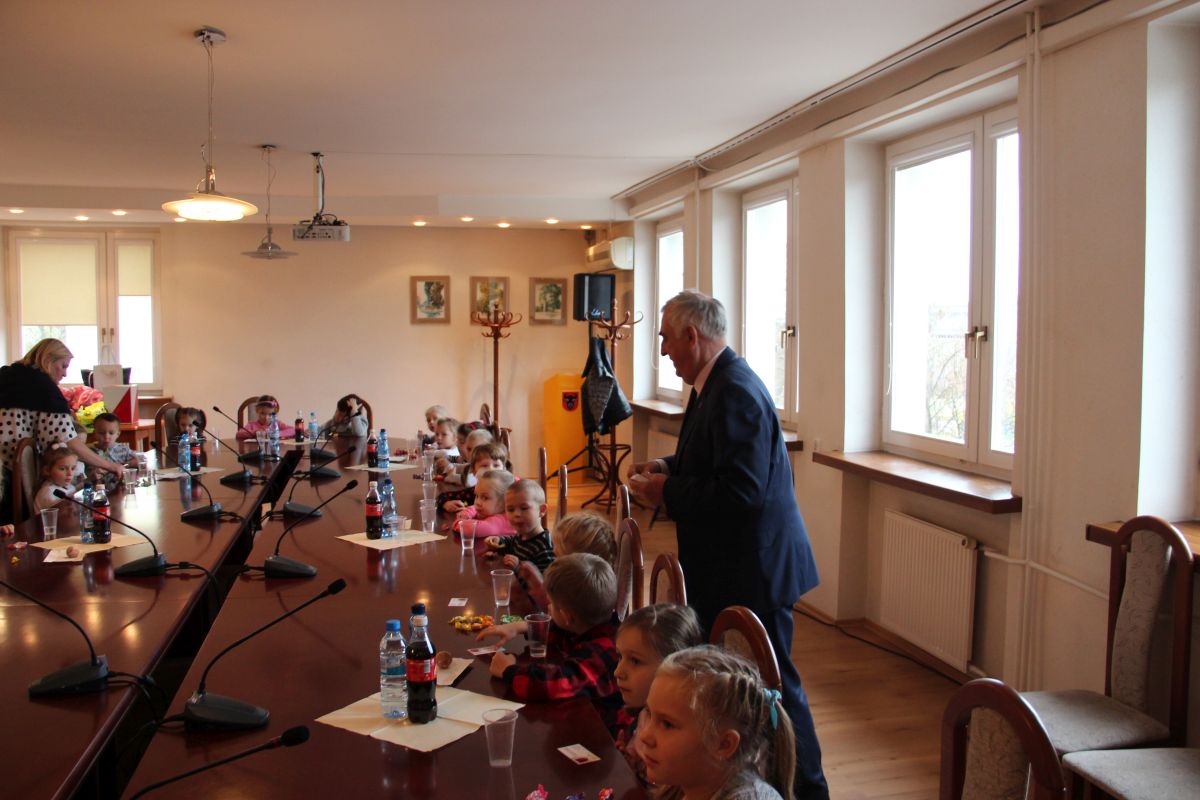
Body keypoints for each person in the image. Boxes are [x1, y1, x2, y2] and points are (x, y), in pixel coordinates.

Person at [627, 290, 826, 799]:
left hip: (754, 569)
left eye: (666, 338)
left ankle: (808, 790)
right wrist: (666, 467)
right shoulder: (713, 383)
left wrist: (667, 492)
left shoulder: (734, 390)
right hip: (734, 564)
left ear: (692, 335)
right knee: (748, 689)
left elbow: (741, 491)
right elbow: (709, 459)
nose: (664, 349)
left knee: (775, 691)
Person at [475, 553, 623, 734]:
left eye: (550, 603)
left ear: (567, 616)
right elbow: (561, 631)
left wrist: (508, 671)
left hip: (605, 734)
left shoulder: (606, 650)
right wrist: (521, 627)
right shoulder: (594, 625)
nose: (548, 608)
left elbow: (553, 684)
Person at [638, 645, 798, 800]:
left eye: (667, 724)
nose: (644, 736)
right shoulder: (689, 776)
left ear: (724, 744)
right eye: (649, 713)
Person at [0, 338, 121, 523]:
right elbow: (69, 441)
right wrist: (111, 466)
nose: (65, 373)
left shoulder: (7, 375)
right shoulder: (44, 388)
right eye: (63, 366)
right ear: (48, 360)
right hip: (12, 478)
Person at [612, 603, 704, 786]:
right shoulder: (642, 714)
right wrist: (631, 761)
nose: (617, 672)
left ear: (676, 665)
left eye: (635, 661)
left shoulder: (686, 732)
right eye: (620, 657)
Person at [518, 510, 616, 609]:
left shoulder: (582, 596)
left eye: (557, 556)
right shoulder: (581, 585)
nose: (553, 561)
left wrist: (540, 590)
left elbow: (556, 613)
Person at [485, 479, 554, 572]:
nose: (516, 514)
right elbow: (511, 542)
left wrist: (519, 567)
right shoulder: (521, 535)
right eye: (510, 509)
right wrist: (498, 541)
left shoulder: (545, 547)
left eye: (524, 508)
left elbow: (545, 579)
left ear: (541, 510)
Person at [438, 441, 508, 512]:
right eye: (484, 466)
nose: (491, 469)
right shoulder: (474, 492)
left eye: (496, 465)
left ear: (504, 469)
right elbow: (442, 497)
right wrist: (446, 504)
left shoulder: (509, 492)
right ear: (474, 472)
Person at [452, 469, 516, 538]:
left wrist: (458, 522)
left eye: (485, 498)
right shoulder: (491, 510)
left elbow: (472, 529)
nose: (477, 502)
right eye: (477, 496)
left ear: (505, 502)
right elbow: (473, 508)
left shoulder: (501, 521)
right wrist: (467, 514)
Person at [34, 442, 81, 513]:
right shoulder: (48, 493)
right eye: (62, 469)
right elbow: (65, 514)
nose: (70, 473)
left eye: (73, 468)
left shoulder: (66, 486)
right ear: (47, 470)